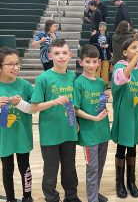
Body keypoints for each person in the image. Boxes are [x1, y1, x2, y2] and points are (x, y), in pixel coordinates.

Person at [30, 39, 82, 202]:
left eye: (64, 53)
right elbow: (34, 107)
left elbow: (74, 104)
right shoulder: (43, 78)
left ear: (70, 55)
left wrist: (76, 121)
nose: (61, 57)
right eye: (57, 53)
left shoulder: (73, 77)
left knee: (69, 169)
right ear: (50, 55)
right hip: (50, 134)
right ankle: (51, 198)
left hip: (69, 131)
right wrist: (54, 101)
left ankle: (71, 197)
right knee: (51, 170)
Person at [111, 38, 138, 199]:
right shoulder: (120, 66)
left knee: (132, 147)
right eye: (134, 48)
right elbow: (122, 78)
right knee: (121, 148)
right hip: (123, 114)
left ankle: (131, 182)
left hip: (136, 114)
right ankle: (119, 183)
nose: (137, 50)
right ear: (125, 52)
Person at [73, 44, 110, 202]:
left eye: (94, 62)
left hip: (103, 130)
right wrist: (93, 118)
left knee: (99, 166)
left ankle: (95, 192)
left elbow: (100, 105)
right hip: (89, 133)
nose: (91, 65)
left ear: (99, 62)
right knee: (92, 168)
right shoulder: (78, 83)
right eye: (87, 61)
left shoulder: (101, 82)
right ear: (81, 62)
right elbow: (75, 109)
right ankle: (92, 199)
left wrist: (105, 98)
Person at [0, 47, 34, 202]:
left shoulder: (25, 85)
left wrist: (20, 103)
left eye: (17, 63)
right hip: (4, 138)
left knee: (24, 167)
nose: (15, 67)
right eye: (10, 64)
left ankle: (27, 197)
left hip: (22, 135)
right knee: (7, 169)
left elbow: (33, 109)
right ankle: (10, 199)